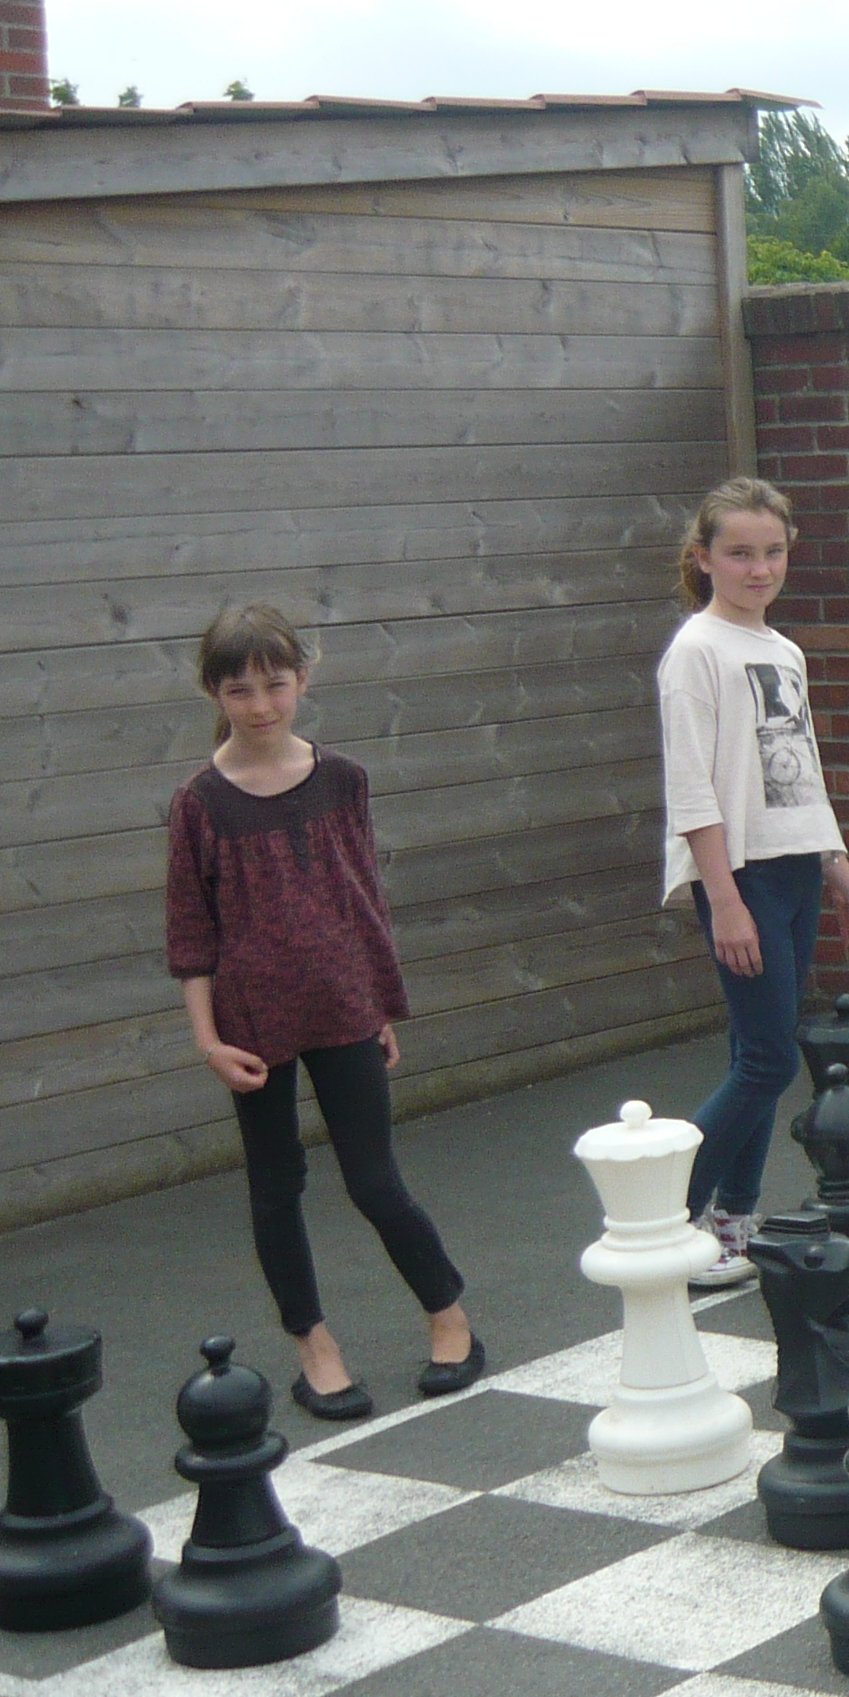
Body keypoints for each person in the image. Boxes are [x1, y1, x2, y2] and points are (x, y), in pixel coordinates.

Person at [166, 604, 478, 1420]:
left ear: (303, 679)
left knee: (375, 1181)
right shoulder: (199, 803)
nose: (260, 705)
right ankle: (314, 1345)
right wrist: (207, 1041)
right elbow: (190, 932)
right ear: (213, 693)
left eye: (275, 685)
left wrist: (381, 1005)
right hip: (249, 1025)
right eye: (239, 690)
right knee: (276, 1188)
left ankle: (449, 1317)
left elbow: (363, 897)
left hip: (344, 1006)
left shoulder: (344, 780)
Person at [659, 477, 849, 1282]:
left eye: (772, 552)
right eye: (739, 554)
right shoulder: (695, 652)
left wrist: (841, 872)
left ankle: (732, 1222)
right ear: (704, 558)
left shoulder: (784, 652)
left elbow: (801, 774)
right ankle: (665, 1220)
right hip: (743, 876)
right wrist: (724, 899)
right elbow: (692, 789)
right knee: (768, 1060)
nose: (759, 569)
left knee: (752, 1052)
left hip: (796, 868)